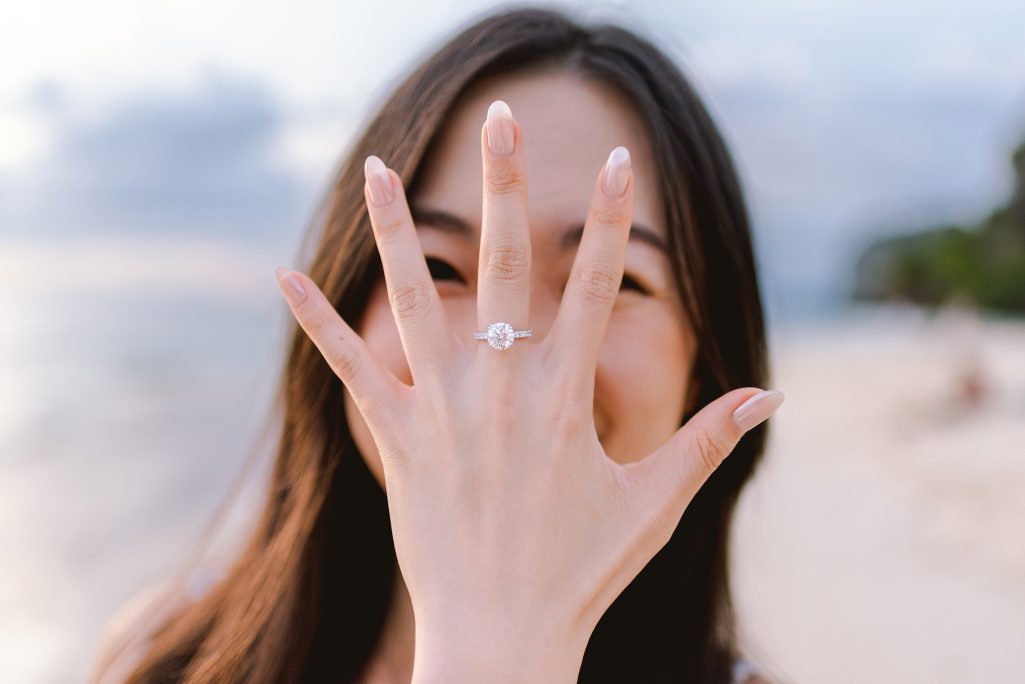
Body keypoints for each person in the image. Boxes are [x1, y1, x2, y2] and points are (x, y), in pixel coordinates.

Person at [91, 6, 785, 683]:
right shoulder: (162, 658)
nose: (506, 362)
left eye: (614, 280)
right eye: (442, 269)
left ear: (706, 364)